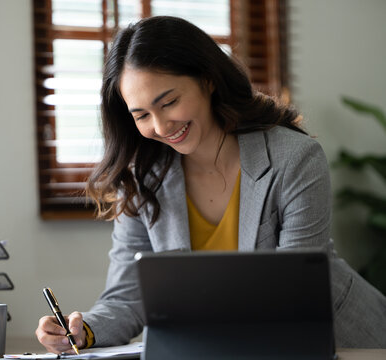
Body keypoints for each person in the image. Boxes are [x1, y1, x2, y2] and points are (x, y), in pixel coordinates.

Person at [36, 16, 386, 352]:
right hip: (227, 347)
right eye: (141, 114)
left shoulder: (295, 158)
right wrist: (82, 331)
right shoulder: (142, 179)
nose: (160, 126)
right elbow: (128, 296)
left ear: (208, 80)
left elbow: (292, 294)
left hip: (348, 342)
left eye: (169, 102)